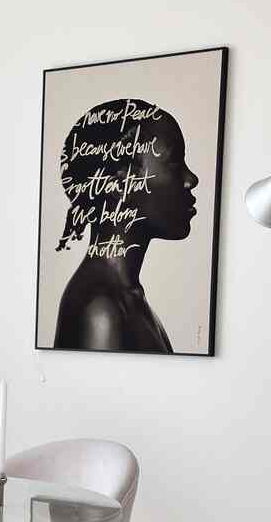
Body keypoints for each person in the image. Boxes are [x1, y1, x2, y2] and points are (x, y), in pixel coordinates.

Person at [53, 98, 198, 353]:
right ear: (121, 182)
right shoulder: (102, 309)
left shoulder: (125, 297)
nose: (191, 179)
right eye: (175, 162)